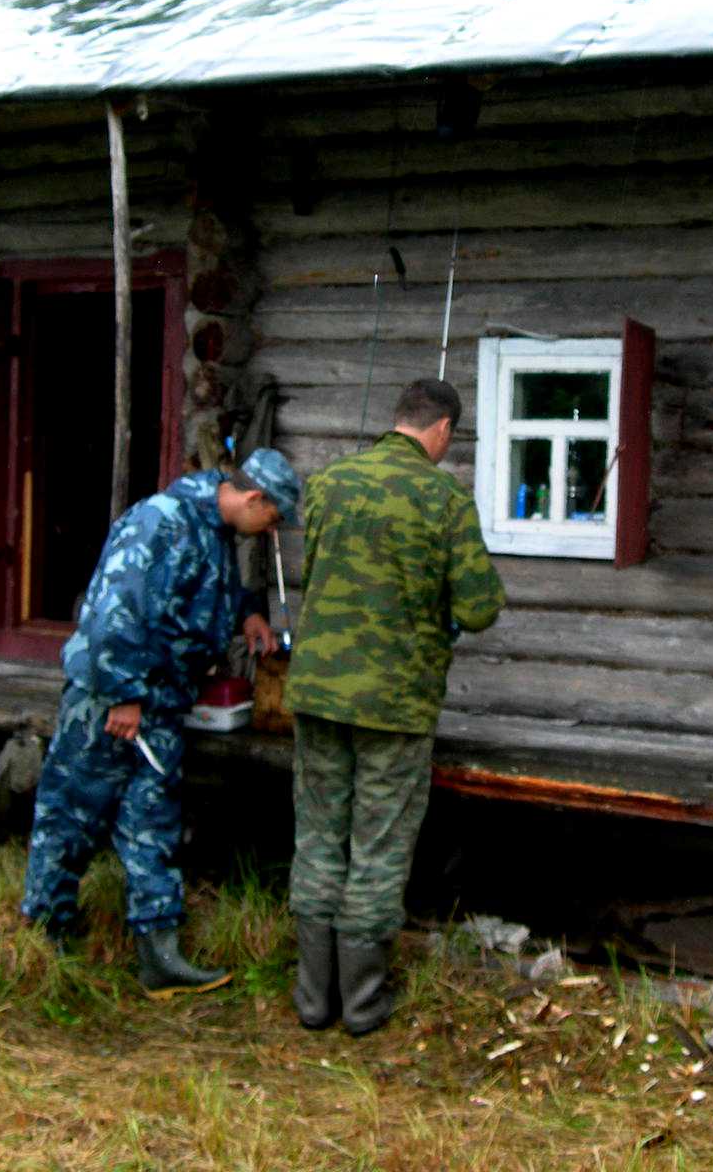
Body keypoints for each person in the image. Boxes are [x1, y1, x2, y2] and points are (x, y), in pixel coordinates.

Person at [21, 448, 300, 997]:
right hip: (108, 703)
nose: (271, 531)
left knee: (153, 826)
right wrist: (125, 695)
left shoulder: (215, 530)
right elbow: (111, 614)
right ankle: (43, 940)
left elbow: (207, 587)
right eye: (272, 519)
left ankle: (159, 955)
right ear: (253, 498)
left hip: (163, 707)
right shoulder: (159, 522)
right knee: (71, 815)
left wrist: (247, 611)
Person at [284, 378, 505, 1034]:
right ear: (442, 431)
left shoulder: (327, 485)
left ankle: (311, 1001)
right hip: (394, 704)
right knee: (377, 849)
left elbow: (318, 570)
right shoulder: (442, 497)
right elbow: (479, 606)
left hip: (318, 692)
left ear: (397, 418)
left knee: (320, 838)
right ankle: (362, 1007)